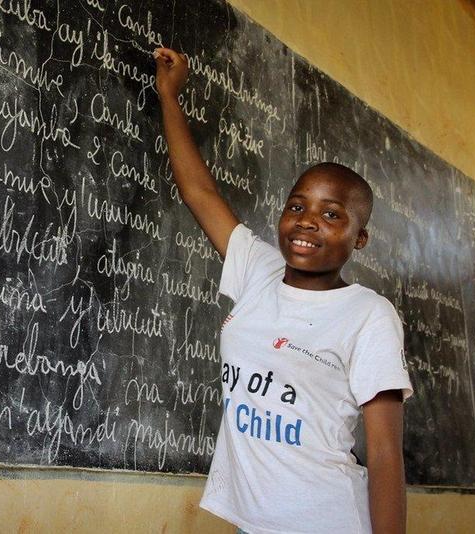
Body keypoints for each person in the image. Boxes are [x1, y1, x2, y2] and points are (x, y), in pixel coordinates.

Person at [153, 47, 414, 534]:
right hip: (254, 523)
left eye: (331, 214)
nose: (307, 221)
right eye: (297, 206)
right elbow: (199, 193)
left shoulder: (368, 314)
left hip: (329, 521)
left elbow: (383, 454)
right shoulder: (258, 270)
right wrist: (169, 95)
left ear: (359, 239)